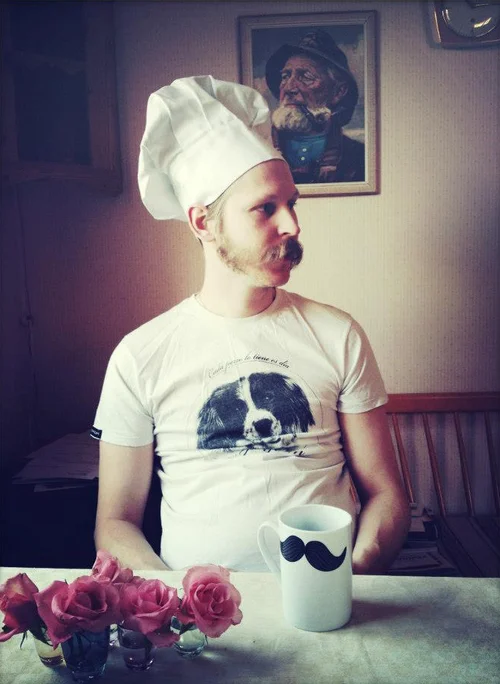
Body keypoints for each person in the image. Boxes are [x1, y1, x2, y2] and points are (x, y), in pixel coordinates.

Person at [92, 75, 409, 574]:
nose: (292, 225)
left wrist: (352, 577)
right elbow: (115, 523)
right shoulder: (140, 355)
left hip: (328, 597)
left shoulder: (338, 335)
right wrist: (173, 598)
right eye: (266, 208)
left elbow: (386, 493)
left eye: (292, 204)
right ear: (203, 222)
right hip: (193, 614)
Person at [265, 29, 365, 184]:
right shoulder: (260, 152)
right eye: (285, 76)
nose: (289, 88)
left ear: (338, 92)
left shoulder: (358, 158)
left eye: (306, 77)